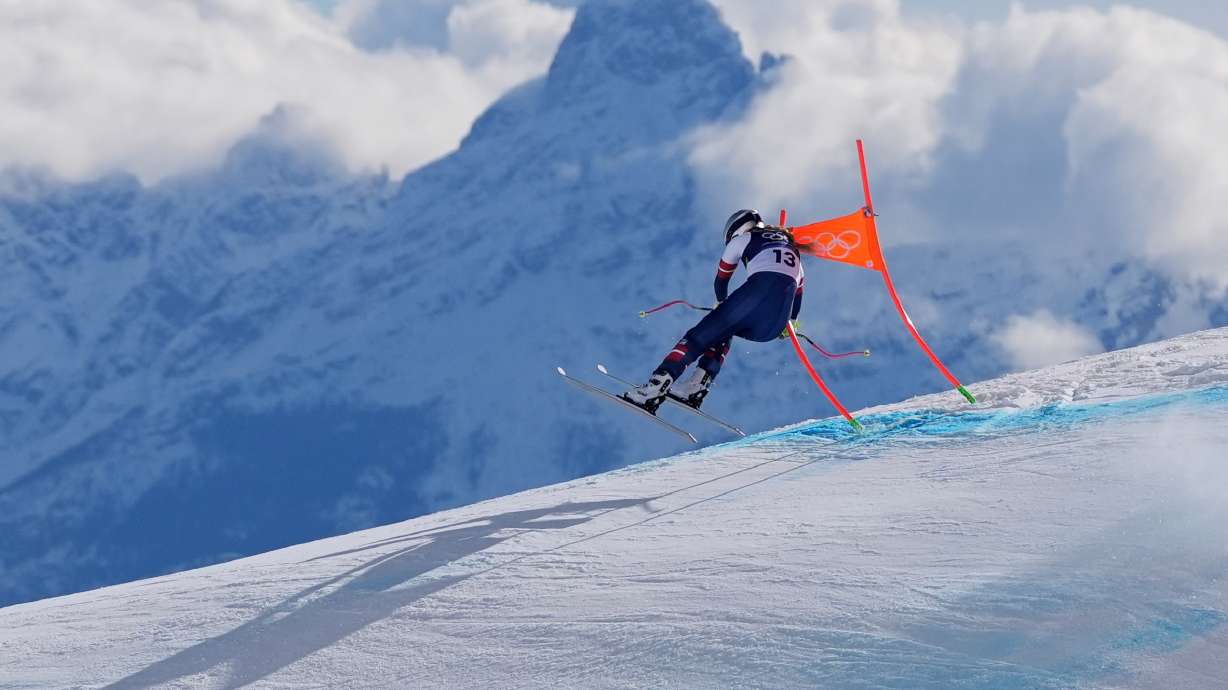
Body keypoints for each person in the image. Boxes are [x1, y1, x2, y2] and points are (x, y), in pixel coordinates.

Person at [622, 209, 804, 412]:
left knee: (697, 338)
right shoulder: (792, 248)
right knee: (724, 330)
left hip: (755, 296)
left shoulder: (744, 238)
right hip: (773, 326)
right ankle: (696, 386)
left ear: (737, 227)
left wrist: (721, 303)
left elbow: (722, 279)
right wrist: (791, 323)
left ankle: (654, 389)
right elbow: (798, 292)